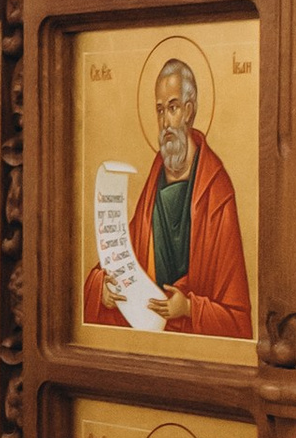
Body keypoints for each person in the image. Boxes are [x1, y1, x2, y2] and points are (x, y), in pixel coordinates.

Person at [83, 55, 251, 340]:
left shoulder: (216, 190)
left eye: (172, 108)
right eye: (159, 110)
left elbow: (237, 316)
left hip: (192, 338)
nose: (164, 122)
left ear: (188, 110)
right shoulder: (155, 179)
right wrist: (101, 286)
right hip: (148, 328)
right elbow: (125, 254)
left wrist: (188, 308)